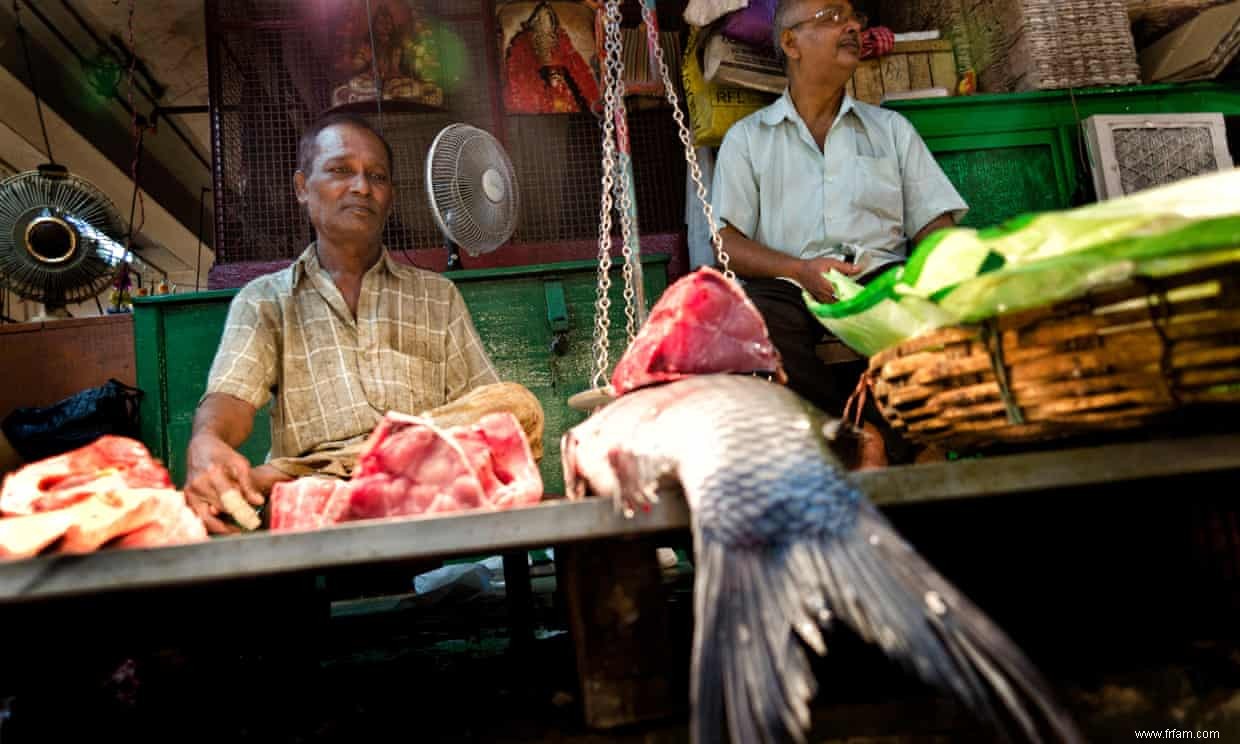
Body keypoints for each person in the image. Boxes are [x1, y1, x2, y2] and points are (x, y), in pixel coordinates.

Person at [185, 113, 542, 533]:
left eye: (377, 176)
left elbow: (491, 419)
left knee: (518, 405)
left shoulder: (437, 296)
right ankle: (357, 479)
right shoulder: (265, 299)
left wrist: (406, 450)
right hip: (317, 515)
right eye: (340, 171)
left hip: (420, 492)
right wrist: (207, 439)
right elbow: (231, 397)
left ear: (390, 196)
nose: (362, 187)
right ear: (302, 188)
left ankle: (348, 474)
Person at [710, 0, 967, 466]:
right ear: (791, 43)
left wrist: (928, 279)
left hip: (880, 280)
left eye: (854, 18)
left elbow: (935, 224)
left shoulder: (891, 130)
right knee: (756, 318)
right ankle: (852, 440)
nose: (851, 27)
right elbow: (726, 242)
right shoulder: (749, 139)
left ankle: (890, 440)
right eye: (831, 17)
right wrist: (800, 270)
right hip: (790, 287)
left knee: (916, 313)